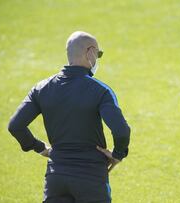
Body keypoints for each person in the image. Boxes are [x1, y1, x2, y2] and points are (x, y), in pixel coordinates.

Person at [8, 31, 130, 203]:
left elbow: (15, 126)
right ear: (90, 52)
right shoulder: (101, 90)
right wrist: (118, 154)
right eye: (99, 54)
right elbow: (121, 130)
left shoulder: (41, 88)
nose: (98, 58)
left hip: (56, 177)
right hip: (91, 177)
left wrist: (40, 147)